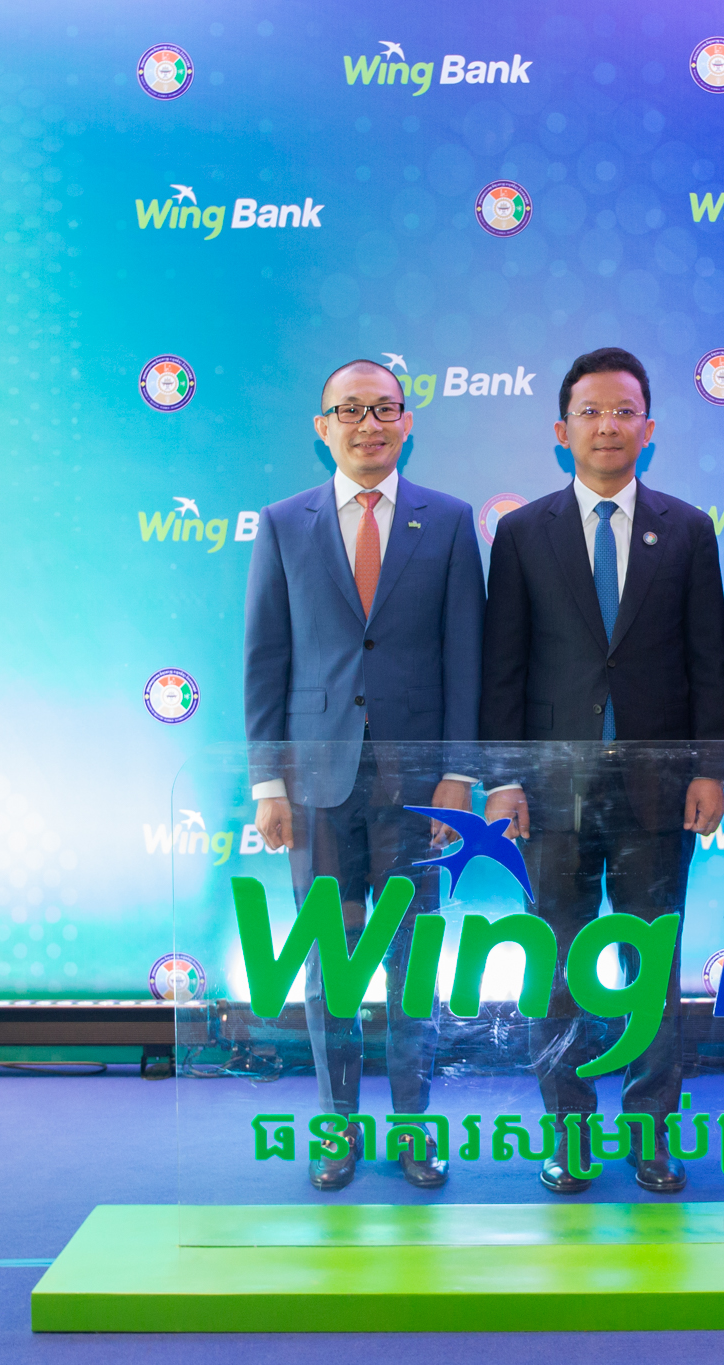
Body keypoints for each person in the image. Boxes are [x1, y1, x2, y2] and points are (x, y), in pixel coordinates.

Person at [481, 346, 724, 1196]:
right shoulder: (522, 534)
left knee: (649, 967)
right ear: (562, 431)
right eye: (590, 411)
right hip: (550, 795)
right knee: (557, 965)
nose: (607, 425)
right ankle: (569, 1131)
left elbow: (710, 662)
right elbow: (503, 671)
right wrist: (503, 779)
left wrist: (712, 768)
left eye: (624, 410)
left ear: (649, 428)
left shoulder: (688, 529)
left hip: (658, 791)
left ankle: (651, 1131)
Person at [243, 358, 485, 1192]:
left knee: (412, 963)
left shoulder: (449, 521)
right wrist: (268, 784)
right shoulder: (284, 523)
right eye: (350, 410)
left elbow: (466, 658)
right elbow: (265, 657)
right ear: (324, 428)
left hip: (415, 787)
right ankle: (336, 1126)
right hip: (317, 783)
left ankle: (415, 1125)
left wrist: (459, 773)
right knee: (329, 965)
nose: (369, 424)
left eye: (384, 409)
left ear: (407, 422)